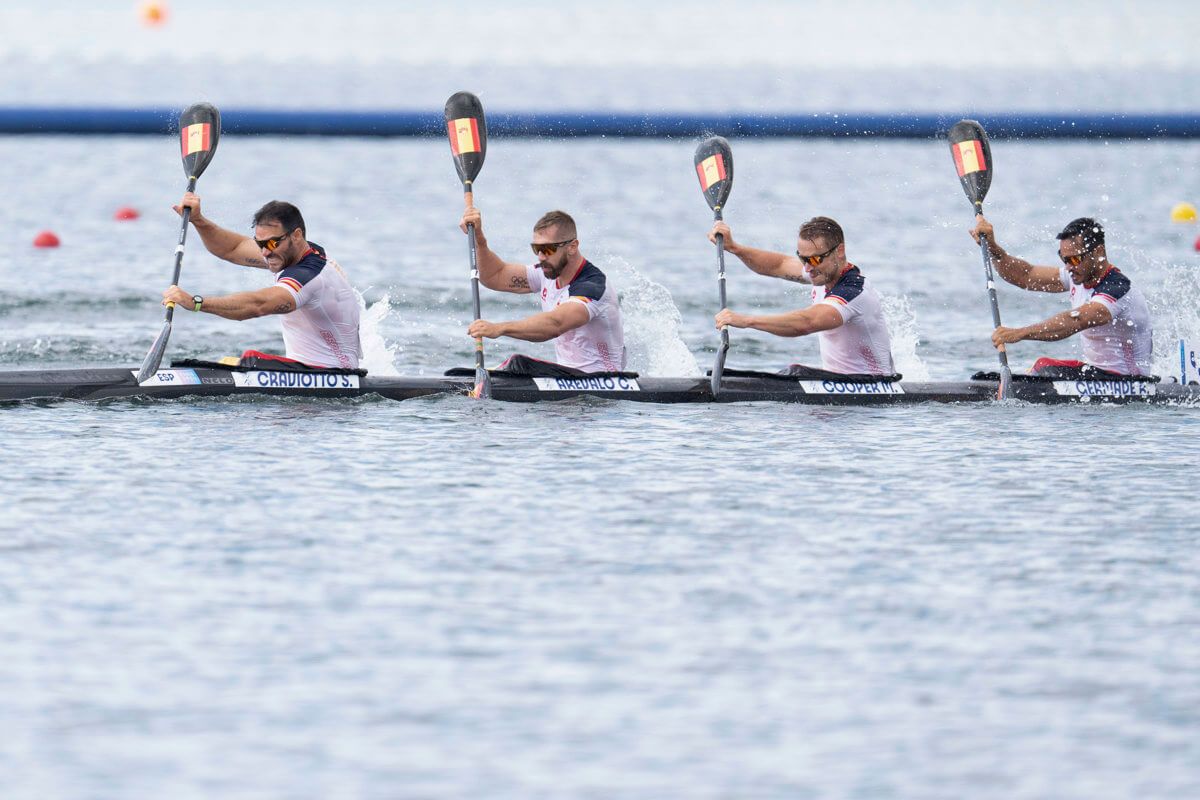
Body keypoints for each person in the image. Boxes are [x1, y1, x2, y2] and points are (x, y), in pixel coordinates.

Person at [161, 194, 362, 370]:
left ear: (297, 236)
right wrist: (198, 221)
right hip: (309, 371)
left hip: (332, 374)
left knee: (251, 359)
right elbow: (232, 249)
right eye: (260, 243)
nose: (265, 252)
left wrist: (196, 303)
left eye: (272, 243)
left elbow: (257, 305)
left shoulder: (307, 276)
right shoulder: (294, 252)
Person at [709, 216, 894, 375]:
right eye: (803, 258)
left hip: (874, 387)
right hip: (839, 385)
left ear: (839, 251)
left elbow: (807, 322)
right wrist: (734, 248)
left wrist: (746, 321)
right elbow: (778, 265)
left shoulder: (853, 292)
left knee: (795, 370)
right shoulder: (822, 271)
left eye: (813, 259)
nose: (807, 268)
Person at [969, 215, 1153, 376]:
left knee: (1043, 366)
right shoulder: (1077, 275)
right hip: (1098, 376)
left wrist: (1019, 333)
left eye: (1074, 259)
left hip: (1129, 380)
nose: (1068, 267)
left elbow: (1076, 320)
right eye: (1064, 259)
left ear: (1098, 252)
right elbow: (1024, 276)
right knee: (1038, 369)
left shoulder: (1117, 288)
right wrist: (993, 248)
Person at [460, 207, 625, 373]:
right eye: (536, 249)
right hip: (567, 376)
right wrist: (479, 239)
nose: (540, 256)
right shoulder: (547, 272)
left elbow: (556, 324)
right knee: (517, 364)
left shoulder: (593, 287)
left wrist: (499, 328)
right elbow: (494, 276)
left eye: (547, 249)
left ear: (572, 247)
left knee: (518, 363)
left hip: (604, 380)